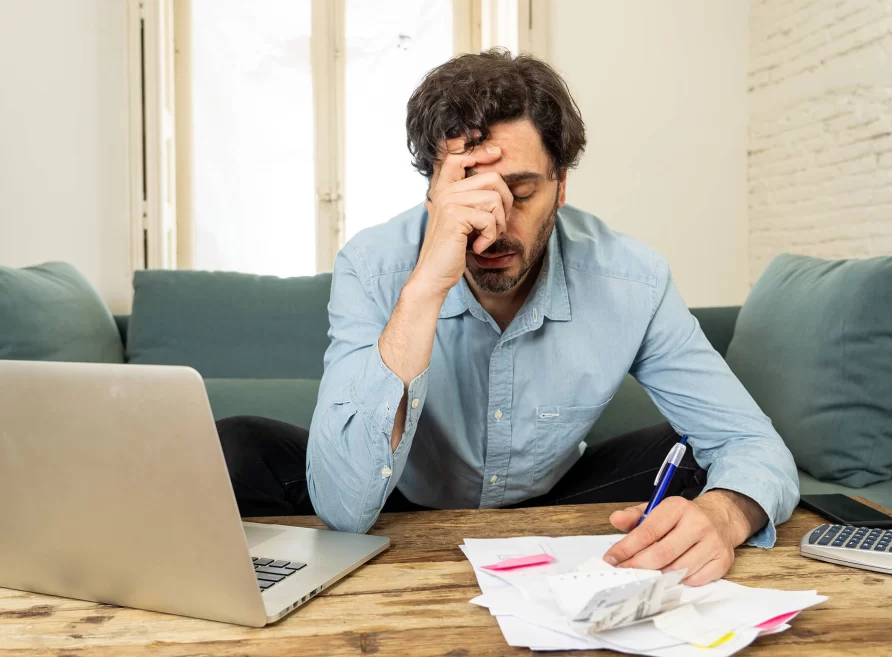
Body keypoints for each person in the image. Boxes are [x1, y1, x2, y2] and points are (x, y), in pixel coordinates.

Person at [218, 49, 799, 587]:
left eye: (520, 192)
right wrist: (425, 288)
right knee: (239, 445)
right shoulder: (373, 265)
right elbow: (343, 508)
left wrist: (724, 515)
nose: (491, 225)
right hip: (397, 499)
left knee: (697, 453)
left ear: (561, 186)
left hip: (554, 500)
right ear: (432, 194)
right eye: (468, 192)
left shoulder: (632, 279)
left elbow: (753, 443)